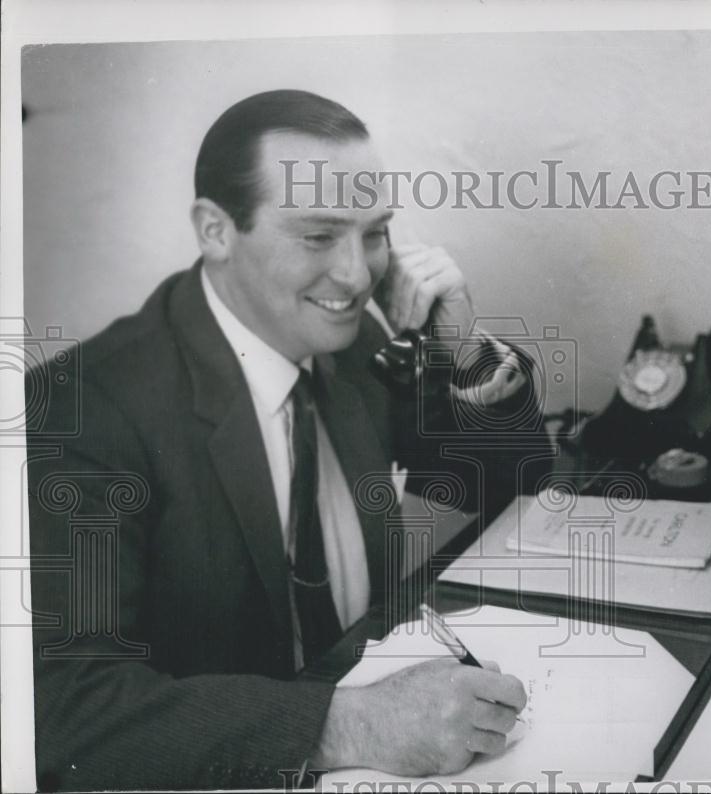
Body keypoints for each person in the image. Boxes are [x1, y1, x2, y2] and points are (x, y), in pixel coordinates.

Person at [27, 90, 550, 790]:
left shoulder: (352, 342)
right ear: (216, 231)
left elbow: (505, 492)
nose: (359, 276)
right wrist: (354, 723)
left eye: (374, 233)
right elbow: (63, 712)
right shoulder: (86, 408)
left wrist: (462, 349)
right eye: (318, 236)